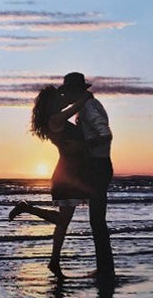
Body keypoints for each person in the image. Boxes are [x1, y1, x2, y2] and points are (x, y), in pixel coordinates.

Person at [8, 85, 93, 279]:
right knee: (63, 220)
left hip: (72, 174)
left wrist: (72, 95)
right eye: (57, 98)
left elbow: (69, 104)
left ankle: (54, 262)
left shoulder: (54, 117)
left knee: (62, 224)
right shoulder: (55, 120)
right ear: (52, 103)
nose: (61, 100)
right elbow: (76, 105)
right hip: (67, 176)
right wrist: (83, 96)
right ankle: (26, 207)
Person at [59, 72, 115, 282]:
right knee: (97, 220)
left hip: (98, 166)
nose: (66, 96)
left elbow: (105, 134)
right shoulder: (85, 107)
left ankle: (105, 270)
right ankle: (104, 268)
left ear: (75, 91)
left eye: (68, 92)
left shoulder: (90, 107)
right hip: (96, 166)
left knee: (97, 221)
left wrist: (82, 146)